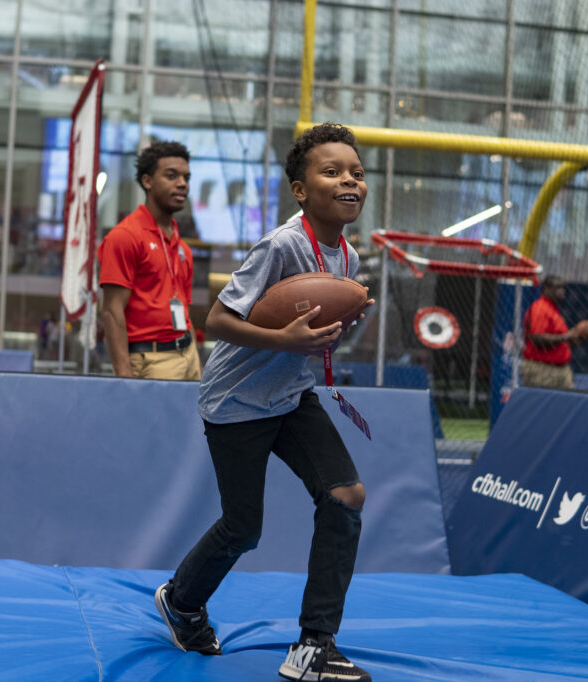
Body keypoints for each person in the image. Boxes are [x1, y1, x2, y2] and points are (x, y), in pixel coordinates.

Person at [153, 122, 374, 682]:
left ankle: (313, 646)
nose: (349, 180)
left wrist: (338, 323)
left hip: (291, 395)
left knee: (346, 496)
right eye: (332, 171)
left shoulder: (346, 257)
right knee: (244, 528)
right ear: (301, 190)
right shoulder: (282, 245)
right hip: (237, 402)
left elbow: (314, 330)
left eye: (356, 172)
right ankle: (181, 601)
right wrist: (285, 340)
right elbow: (217, 320)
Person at [98, 140, 201, 380]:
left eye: (186, 177)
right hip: (151, 361)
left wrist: (195, 360)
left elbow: (183, 309)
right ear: (147, 181)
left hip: (187, 355)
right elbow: (112, 312)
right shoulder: (125, 236)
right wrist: (124, 375)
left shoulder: (182, 246)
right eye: (171, 176)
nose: (182, 184)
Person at [520, 275, 588, 388]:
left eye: (563, 288)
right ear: (546, 289)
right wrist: (567, 336)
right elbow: (538, 338)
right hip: (542, 370)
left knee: (568, 404)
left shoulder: (553, 309)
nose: (562, 291)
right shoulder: (540, 308)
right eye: (557, 288)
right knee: (543, 405)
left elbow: (559, 342)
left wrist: (575, 338)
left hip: (559, 369)